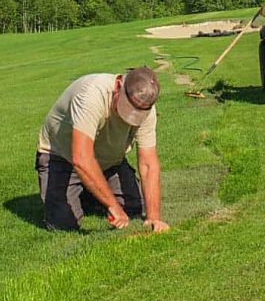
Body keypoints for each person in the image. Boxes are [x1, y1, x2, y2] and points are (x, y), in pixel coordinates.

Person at [35, 67, 170, 233]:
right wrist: (113, 206)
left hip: (108, 161)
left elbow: (148, 163)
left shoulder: (147, 109)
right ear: (119, 85)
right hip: (62, 157)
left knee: (135, 207)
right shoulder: (91, 96)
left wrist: (153, 217)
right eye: (127, 108)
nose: (129, 117)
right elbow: (81, 158)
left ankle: (88, 192)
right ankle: (85, 190)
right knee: (63, 224)